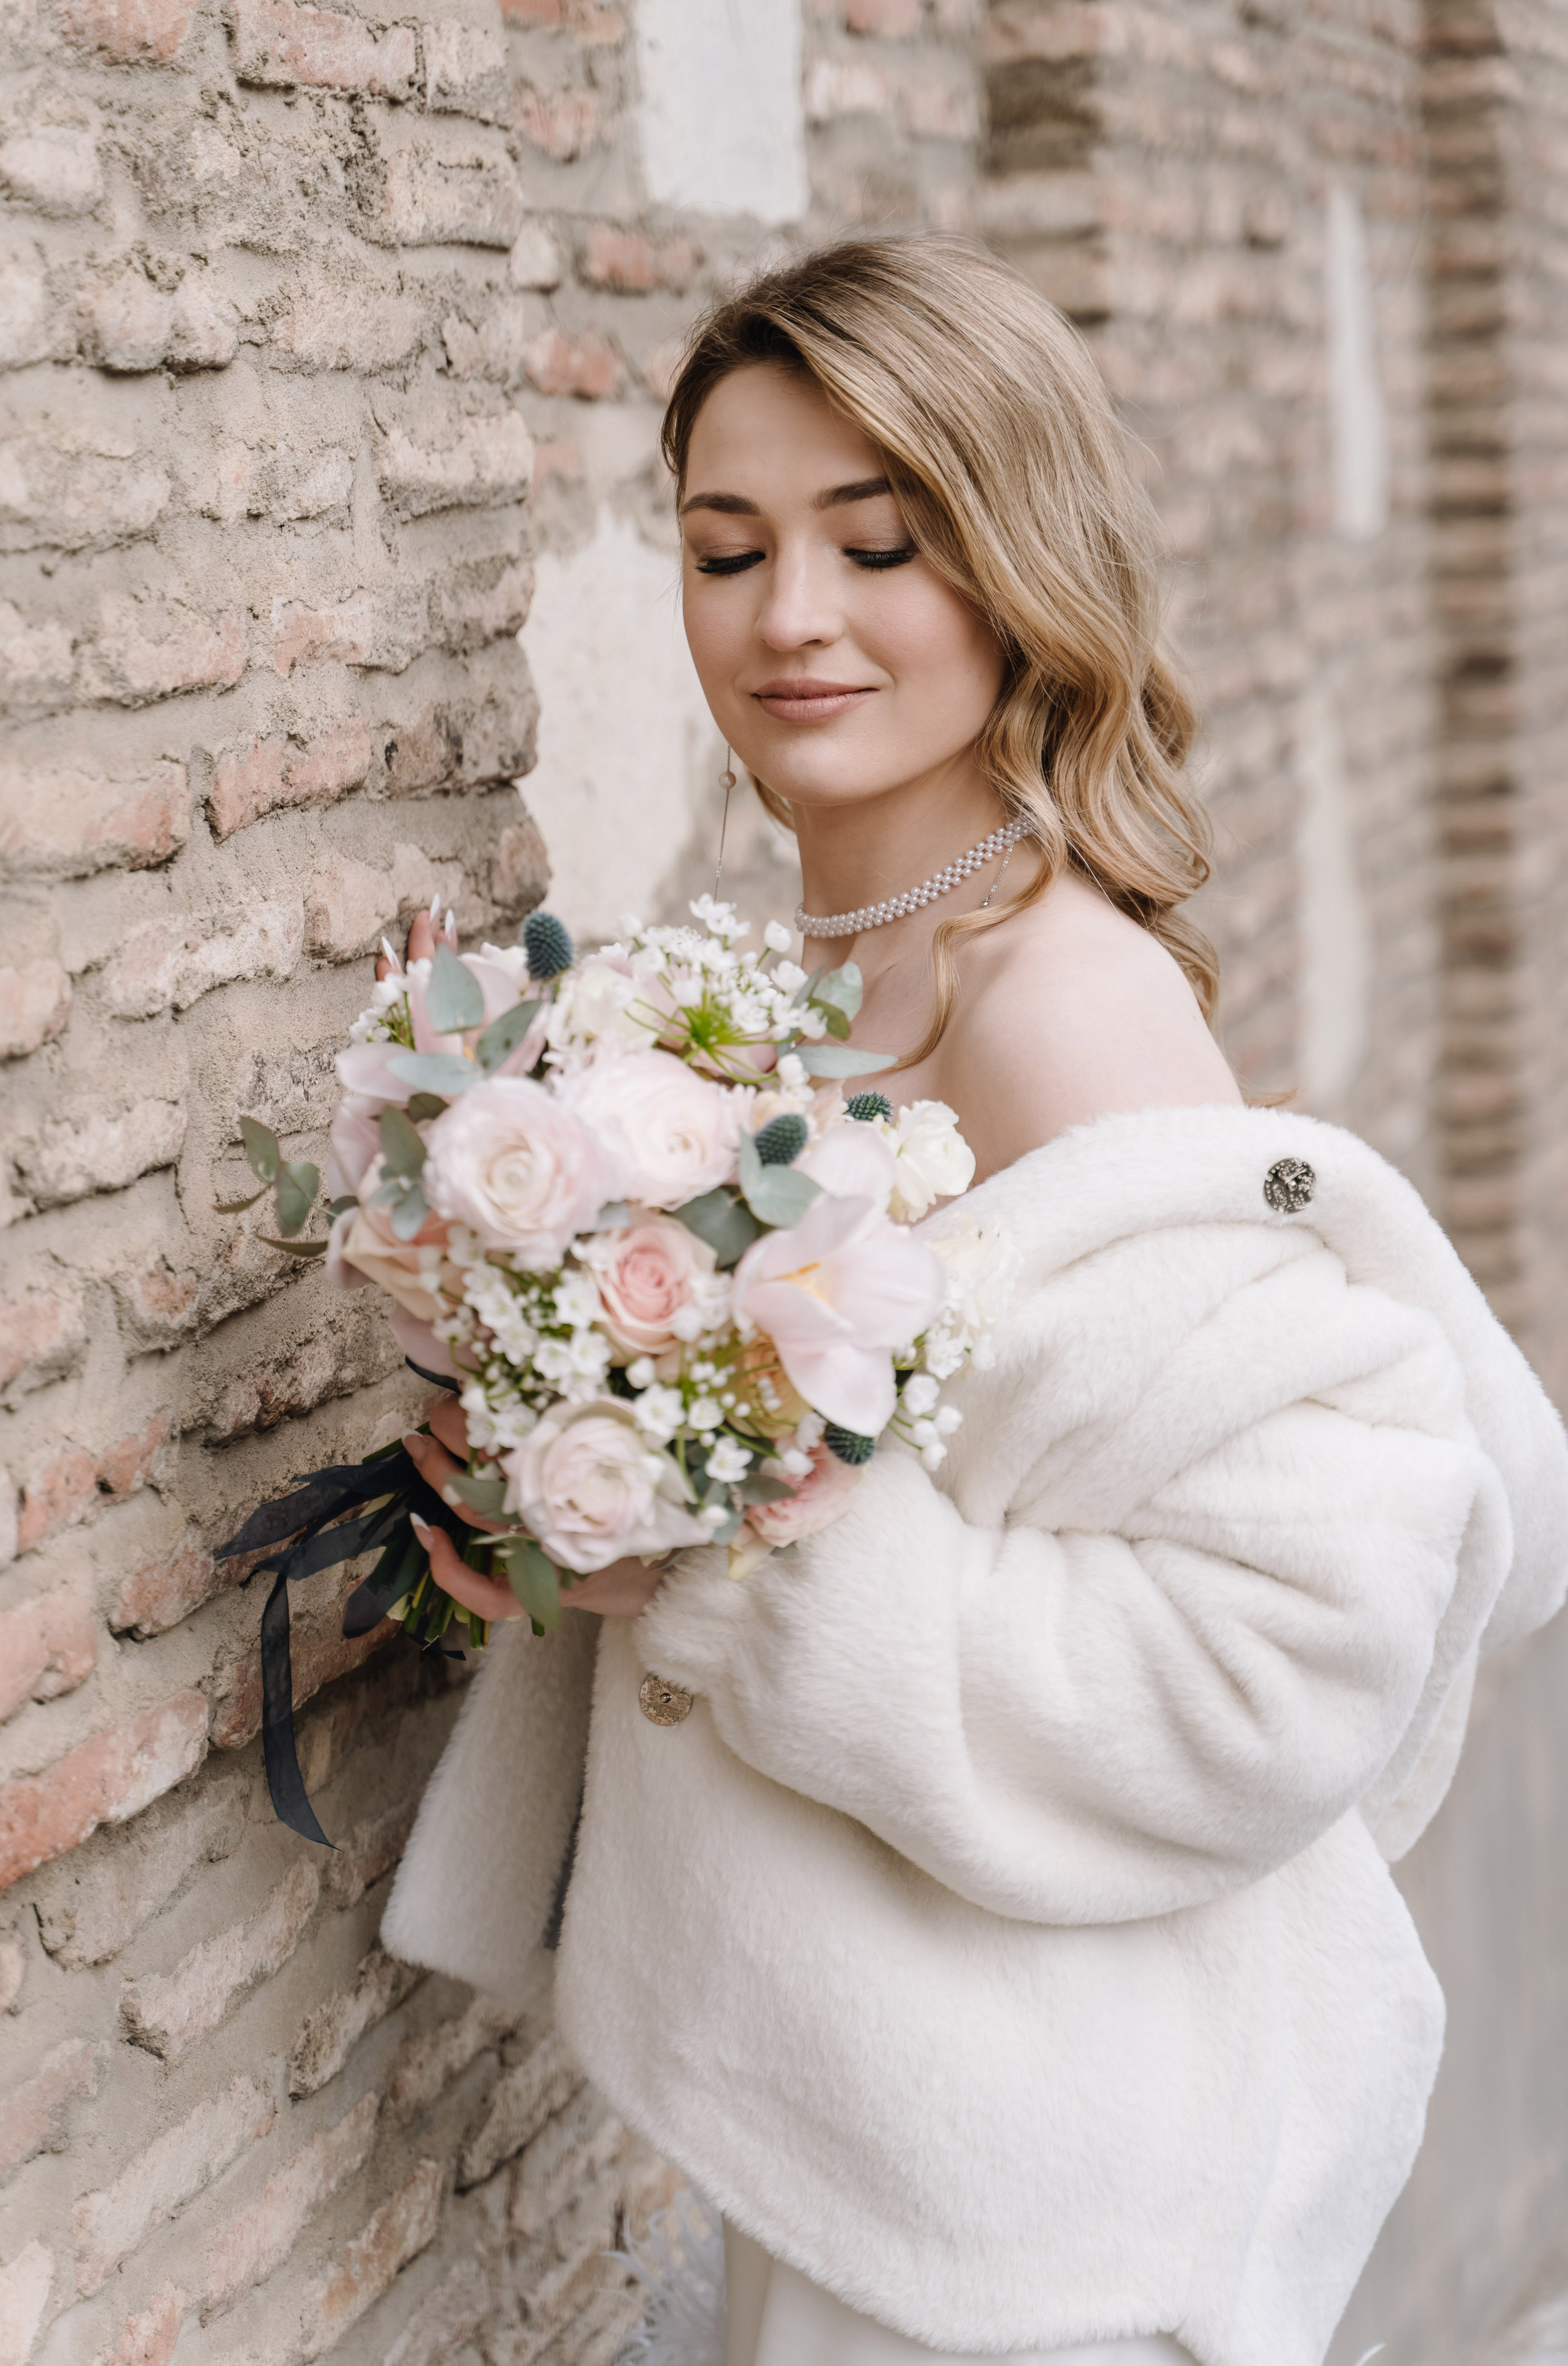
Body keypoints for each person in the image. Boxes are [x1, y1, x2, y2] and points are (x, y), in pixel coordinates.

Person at [383, 239, 1568, 2365]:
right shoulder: (781, 991)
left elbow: (1293, 1633)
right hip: (905, 2116)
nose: (788, 620)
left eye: (878, 543)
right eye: (727, 548)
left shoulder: (1062, 1009)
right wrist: (556, 1490)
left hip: (1057, 2201)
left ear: (1016, 566)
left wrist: (722, 1567)